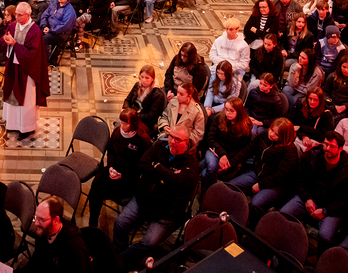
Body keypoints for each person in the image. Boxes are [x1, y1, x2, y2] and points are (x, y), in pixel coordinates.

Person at [112, 125, 199, 269]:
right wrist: (168, 177)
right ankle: (122, 262)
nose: (173, 141)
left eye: (178, 139)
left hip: (165, 212)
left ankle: (117, 264)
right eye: (171, 136)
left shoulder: (191, 164)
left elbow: (181, 183)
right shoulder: (160, 146)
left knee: (149, 243)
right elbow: (142, 164)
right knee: (119, 224)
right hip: (143, 200)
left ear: (187, 142)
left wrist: (157, 166)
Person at [280, 130, 348, 247]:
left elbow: (346, 200)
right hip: (309, 198)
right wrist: (307, 198)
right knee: (284, 214)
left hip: (331, 208)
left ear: (340, 149)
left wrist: (325, 211)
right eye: (326, 144)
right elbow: (300, 179)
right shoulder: (311, 157)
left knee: (326, 236)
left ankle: (320, 257)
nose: (327, 149)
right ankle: (283, 246)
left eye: (332, 146)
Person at [87, 108, 153, 227]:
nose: (122, 126)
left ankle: (94, 223)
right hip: (114, 169)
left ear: (133, 123)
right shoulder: (118, 132)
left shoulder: (142, 141)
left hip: (128, 178)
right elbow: (111, 150)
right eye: (121, 122)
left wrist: (122, 176)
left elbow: (140, 168)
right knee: (96, 184)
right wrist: (111, 167)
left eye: (125, 123)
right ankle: (93, 223)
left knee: (99, 192)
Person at [0, 2, 49, 140]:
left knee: (26, 99)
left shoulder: (35, 31)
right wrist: (5, 41)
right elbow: (5, 39)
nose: (16, 17)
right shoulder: (13, 25)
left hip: (27, 71)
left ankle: (26, 128)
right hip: (13, 67)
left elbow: (33, 54)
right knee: (11, 95)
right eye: (16, 14)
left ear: (28, 15)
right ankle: (13, 124)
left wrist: (15, 45)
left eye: (20, 15)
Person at [230, 117, 299, 211]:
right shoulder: (264, 135)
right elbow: (248, 150)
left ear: (284, 137)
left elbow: (281, 176)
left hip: (276, 184)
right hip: (257, 173)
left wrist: (260, 185)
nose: (271, 134)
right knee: (230, 187)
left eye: (276, 134)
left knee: (256, 204)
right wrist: (231, 163)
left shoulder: (290, 150)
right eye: (271, 130)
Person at [19, 196, 89, 273]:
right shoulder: (43, 233)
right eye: (35, 217)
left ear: (56, 220)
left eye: (42, 219)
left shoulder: (74, 247)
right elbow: (36, 261)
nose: (36, 223)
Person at [200, 96, 252, 188]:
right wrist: (222, 154)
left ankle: (208, 193)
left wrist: (227, 160)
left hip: (230, 158)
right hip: (215, 150)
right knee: (209, 167)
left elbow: (243, 150)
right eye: (226, 109)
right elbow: (211, 138)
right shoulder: (219, 117)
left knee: (205, 173)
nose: (227, 113)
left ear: (239, 112)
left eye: (231, 110)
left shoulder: (246, 126)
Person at [123, 65, 167, 134]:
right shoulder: (137, 85)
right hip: (133, 114)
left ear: (152, 79)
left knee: (128, 130)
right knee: (119, 125)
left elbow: (151, 115)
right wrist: (126, 110)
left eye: (147, 78)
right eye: (142, 77)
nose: (143, 80)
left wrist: (134, 115)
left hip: (146, 122)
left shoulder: (157, 94)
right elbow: (127, 100)